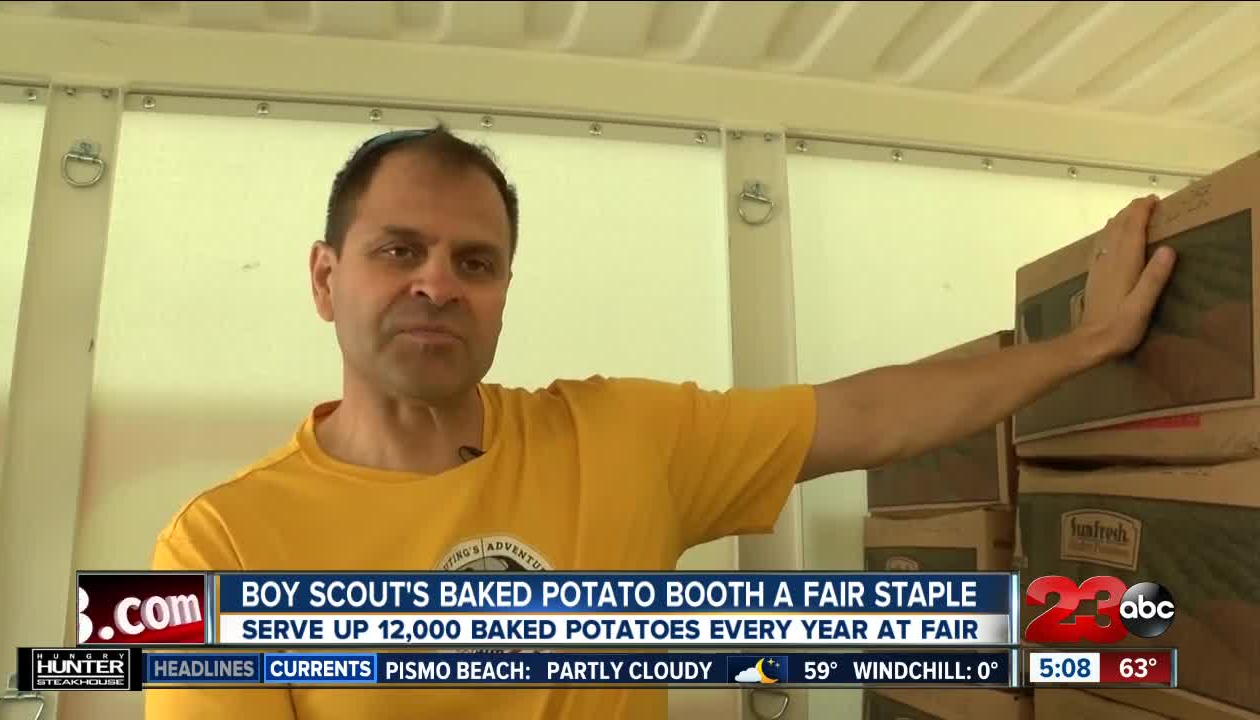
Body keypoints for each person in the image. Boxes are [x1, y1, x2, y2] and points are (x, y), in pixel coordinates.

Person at [145, 125, 1176, 719]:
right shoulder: (219, 548)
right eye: (396, 251)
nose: (437, 285)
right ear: (325, 279)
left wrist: (1082, 345)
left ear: (504, 289)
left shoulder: (618, 439)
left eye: (474, 262)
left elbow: (865, 414)